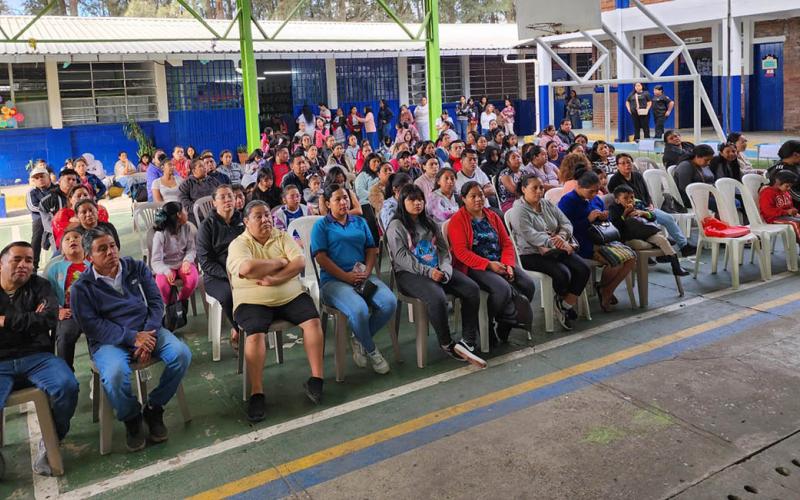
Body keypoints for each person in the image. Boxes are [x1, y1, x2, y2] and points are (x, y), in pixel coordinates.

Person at [71, 227, 192, 452]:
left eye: (113, 246)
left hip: (148, 331)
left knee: (182, 354)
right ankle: (132, 417)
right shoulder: (82, 288)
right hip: (109, 341)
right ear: (89, 257)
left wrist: (147, 334)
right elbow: (92, 326)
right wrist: (132, 338)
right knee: (115, 374)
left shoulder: (135, 267)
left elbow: (156, 302)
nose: (111, 252)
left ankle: (154, 408)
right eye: (102, 249)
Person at [227, 200, 325, 419]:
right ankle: (257, 393)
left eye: (267, 215)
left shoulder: (281, 236)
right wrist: (280, 261)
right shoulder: (239, 244)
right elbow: (248, 268)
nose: (265, 220)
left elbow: (299, 262)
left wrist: (274, 278)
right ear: (246, 222)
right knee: (254, 335)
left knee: (313, 322)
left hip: (290, 295)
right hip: (252, 301)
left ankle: (316, 379)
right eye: (258, 216)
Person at [0, 241, 78, 476]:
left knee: (67, 386)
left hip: (38, 356)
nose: (25, 265)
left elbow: (48, 320)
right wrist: (29, 320)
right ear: (1, 263)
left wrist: (5, 321)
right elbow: (36, 321)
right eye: (17, 259)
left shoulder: (40, 286)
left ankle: (52, 439)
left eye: (30, 260)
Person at [386, 184, 486, 366]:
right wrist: (428, 272)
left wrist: (445, 269)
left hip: (437, 269)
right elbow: (401, 258)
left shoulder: (429, 222)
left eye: (420, 199)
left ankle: (468, 340)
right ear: (402, 202)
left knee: (471, 288)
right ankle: (447, 343)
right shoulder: (396, 226)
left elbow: (443, 249)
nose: (417, 203)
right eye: (412, 200)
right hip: (410, 274)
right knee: (437, 297)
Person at [311, 184, 396, 374]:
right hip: (333, 281)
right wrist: (346, 277)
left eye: (346, 198)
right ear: (327, 203)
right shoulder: (321, 226)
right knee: (359, 310)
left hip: (362, 276)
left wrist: (366, 271)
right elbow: (321, 258)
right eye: (338, 199)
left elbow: (371, 249)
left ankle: (359, 339)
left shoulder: (359, 222)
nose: (343, 202)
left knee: (389, 302)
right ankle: (372, 350)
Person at [448, 181, 536, 343]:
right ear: (463, 199)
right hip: (475, 266)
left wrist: (508, 265)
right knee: (502, 289)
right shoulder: (458, 220)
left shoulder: (492, 216)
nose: (478, 199)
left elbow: (507, 243)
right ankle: (485, 324)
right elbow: (461, 253)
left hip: (500, 261)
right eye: (472, 196)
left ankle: (504, 325)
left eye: (480, 195)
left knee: (528, 285)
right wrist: (488, 265)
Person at [508, 175, 590, 330]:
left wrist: (562, 236)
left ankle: (564, 304)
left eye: (541, 187)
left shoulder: (546, 204)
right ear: (524, 189)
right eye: (534, 188)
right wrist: (554, 242)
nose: (539, 191)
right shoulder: (518, 211)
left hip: (556, 249)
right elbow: (529, 234)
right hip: (530, 254)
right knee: (563, 273)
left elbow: (566, 222)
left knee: (583, 268)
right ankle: (562, 303)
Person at [558, 170, 636, 312]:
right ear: (579, 187)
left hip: (602, 238)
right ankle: (605, 291)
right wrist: (587, 220)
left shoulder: (596, 199)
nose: (594, 194)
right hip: (582, 241)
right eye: (591, 191)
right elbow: (564, 228)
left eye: (597, 191)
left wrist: (605, 217)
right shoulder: (568, 201)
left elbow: (607, 221)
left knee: (631, 258)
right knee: (616, 261)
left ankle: (606, 289)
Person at [607, 153, 695, 257]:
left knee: (668, 218)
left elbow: (646, 192)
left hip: (645, 207)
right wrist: (638, 210)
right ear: (617, 166)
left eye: (629, 162)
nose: (627, 165)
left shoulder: (637, 175)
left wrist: (650, 204)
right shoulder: (614, 180)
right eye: (623, 163)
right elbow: (619, 201)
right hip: (631, 212)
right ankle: (662, 253)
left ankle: (684, 245)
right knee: (653, 221)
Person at [197, 185, 245, 349]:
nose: (227, 200)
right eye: (222, 197)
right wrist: (228, 275)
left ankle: (252, 327)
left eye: (230, 196)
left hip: (243, 270)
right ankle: (240, 331)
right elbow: (205, 262)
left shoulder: (242, 220)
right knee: (228, 295)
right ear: (214, 203)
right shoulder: (206, 226)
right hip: (216, 276)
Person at [608, 185, 689, 277]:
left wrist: (644, 213)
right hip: (630, 237)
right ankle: (658, 245)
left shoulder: (638, 204)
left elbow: (653, 217)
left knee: (661, 240)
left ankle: (676, 266)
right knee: (639, 244)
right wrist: (625, 214)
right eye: (625, 198)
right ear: (617, 200)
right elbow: (616, 225)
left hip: (646, 233)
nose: (630, 200)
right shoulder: (614, 208)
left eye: (632, 197)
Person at [45, 227, 90, 371]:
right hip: (69, 313)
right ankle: (66, 372)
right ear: (62, 249)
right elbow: (46, 294)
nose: (72, 240)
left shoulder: (94, 265)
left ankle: (99, 368)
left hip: (94, 312)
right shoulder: (55, 268)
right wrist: (57, 310)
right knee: (64, 336)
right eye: (67, 239)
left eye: (77, 237)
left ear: (86, 245)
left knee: (102, 336)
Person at [150, 202, 198, 308]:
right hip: (165, 266)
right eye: (184, 210)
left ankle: (180, 302)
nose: (186, 213)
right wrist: (166, 271)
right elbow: (156, 261)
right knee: (162, 285)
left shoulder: (187, 227)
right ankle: (171, 306)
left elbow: (191, 249)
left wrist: (187, 261)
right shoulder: (160, 234)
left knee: (193, 280)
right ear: (178, 215)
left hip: (183, 263)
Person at [759, 170, 800, 243]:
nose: (789, 188)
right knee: (796, 223)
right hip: (772, 219)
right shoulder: (767, 192)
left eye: (790, 186)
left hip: (785, 216)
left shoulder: (785, 192)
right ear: (777, 183)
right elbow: (768, 211)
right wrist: (786, 212)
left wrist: (793, 210)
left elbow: (789, 206)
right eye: (787, 186)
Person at [27, 165, 53, 273]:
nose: (40, 179)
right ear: (33, 181)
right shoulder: (31, 192)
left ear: (48, 177)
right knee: (36, 240)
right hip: (39, 219)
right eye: (36, 178)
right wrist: (48, 210)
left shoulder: (56, 188)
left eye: (42, 176)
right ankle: (33, 267)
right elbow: (32, 206)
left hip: (55, 217)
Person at [179, 158, 222, 223]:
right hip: (196, 215)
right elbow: (185, 204)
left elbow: (221, 194)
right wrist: (200, 209)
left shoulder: (213, 180)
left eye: (204, 165)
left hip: (216, 213)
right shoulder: (186, 184)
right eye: (201, 166)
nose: (205, 167)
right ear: (194, 171)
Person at [765, 140, 800, 208]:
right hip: (792, 208)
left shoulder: (778, 165)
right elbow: (792, 193)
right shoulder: (785, 172)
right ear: (795, 154)